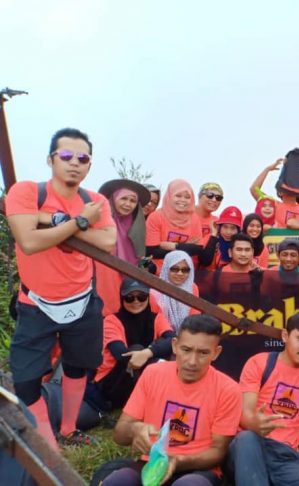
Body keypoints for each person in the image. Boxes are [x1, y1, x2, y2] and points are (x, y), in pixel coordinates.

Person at [5, 127, 117, 447]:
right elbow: (28, 241)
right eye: (66, 155)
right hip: (36, 302)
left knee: (78, 366)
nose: (74, 163)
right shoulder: (27, 192)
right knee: (26, 378)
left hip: (81, 299)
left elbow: (107, 242)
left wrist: (51, 221)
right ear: (50, 159)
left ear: (89, 165)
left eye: (83, 158)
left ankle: (68, 430)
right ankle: (46, 441)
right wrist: (79, 222)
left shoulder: (94, 201)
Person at [101, 315, 241, 486]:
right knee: (119, 480)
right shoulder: (153, 373)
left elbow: (218, 452)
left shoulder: (228, 389)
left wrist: (177, 461)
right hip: (152, 464)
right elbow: (119, 434)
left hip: (197, 470)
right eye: (186, 350)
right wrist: (135, 429)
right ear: (174, 346)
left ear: (216, 353)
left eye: (203, 353)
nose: (192, 361)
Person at [229, 311, 299, 485]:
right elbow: (245, 414)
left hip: (286, 456)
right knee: (247, 438)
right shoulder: (260, 363)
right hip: (251, 447)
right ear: (285, 336)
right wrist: (254, 423)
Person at [92, 278, 174, 410]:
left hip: (144, 374)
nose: (136, 301)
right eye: (130, 297)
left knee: (172, 352)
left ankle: (158, 400)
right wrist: (155, 359)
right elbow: (122, 354)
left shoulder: (156, 318)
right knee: (137, 350)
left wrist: (149, 353)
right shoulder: (111, 320)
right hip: (112, 381)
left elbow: (173, 341)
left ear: (148, 298)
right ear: (122, 298)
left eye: (141, 297)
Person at [95, 178, 151, 316]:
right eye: (123, 199)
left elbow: (140, 256)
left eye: (132, 201)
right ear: (113, 199)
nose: (128, 204)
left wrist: (146, 263)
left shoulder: (137, 225)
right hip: (102, 277)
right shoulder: (99, 220)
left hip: (130, 283)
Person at [145, 179, 207, 271]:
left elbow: (197, 249)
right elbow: (152, 252)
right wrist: (185, 246)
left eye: (187, 197)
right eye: (178, 196)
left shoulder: (194, 218)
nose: (182, 200)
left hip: (183, 273)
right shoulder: (155, 216)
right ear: (169, 196)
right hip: (157, 273)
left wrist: (173, 246)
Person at [150, 250, 200, 332]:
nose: (180, 273)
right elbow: (158, 319)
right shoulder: (155, 291)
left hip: (188, 333)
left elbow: (194, 314)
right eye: (174, 269)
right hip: (163, 334)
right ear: (166, 269)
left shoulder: (192, 287)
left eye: (185, 270)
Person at [250, 158, 299, 228]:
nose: (290, 188)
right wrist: (267, 169)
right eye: (287, 186)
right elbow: (254, 189)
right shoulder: (273, 205)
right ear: (280, 192)